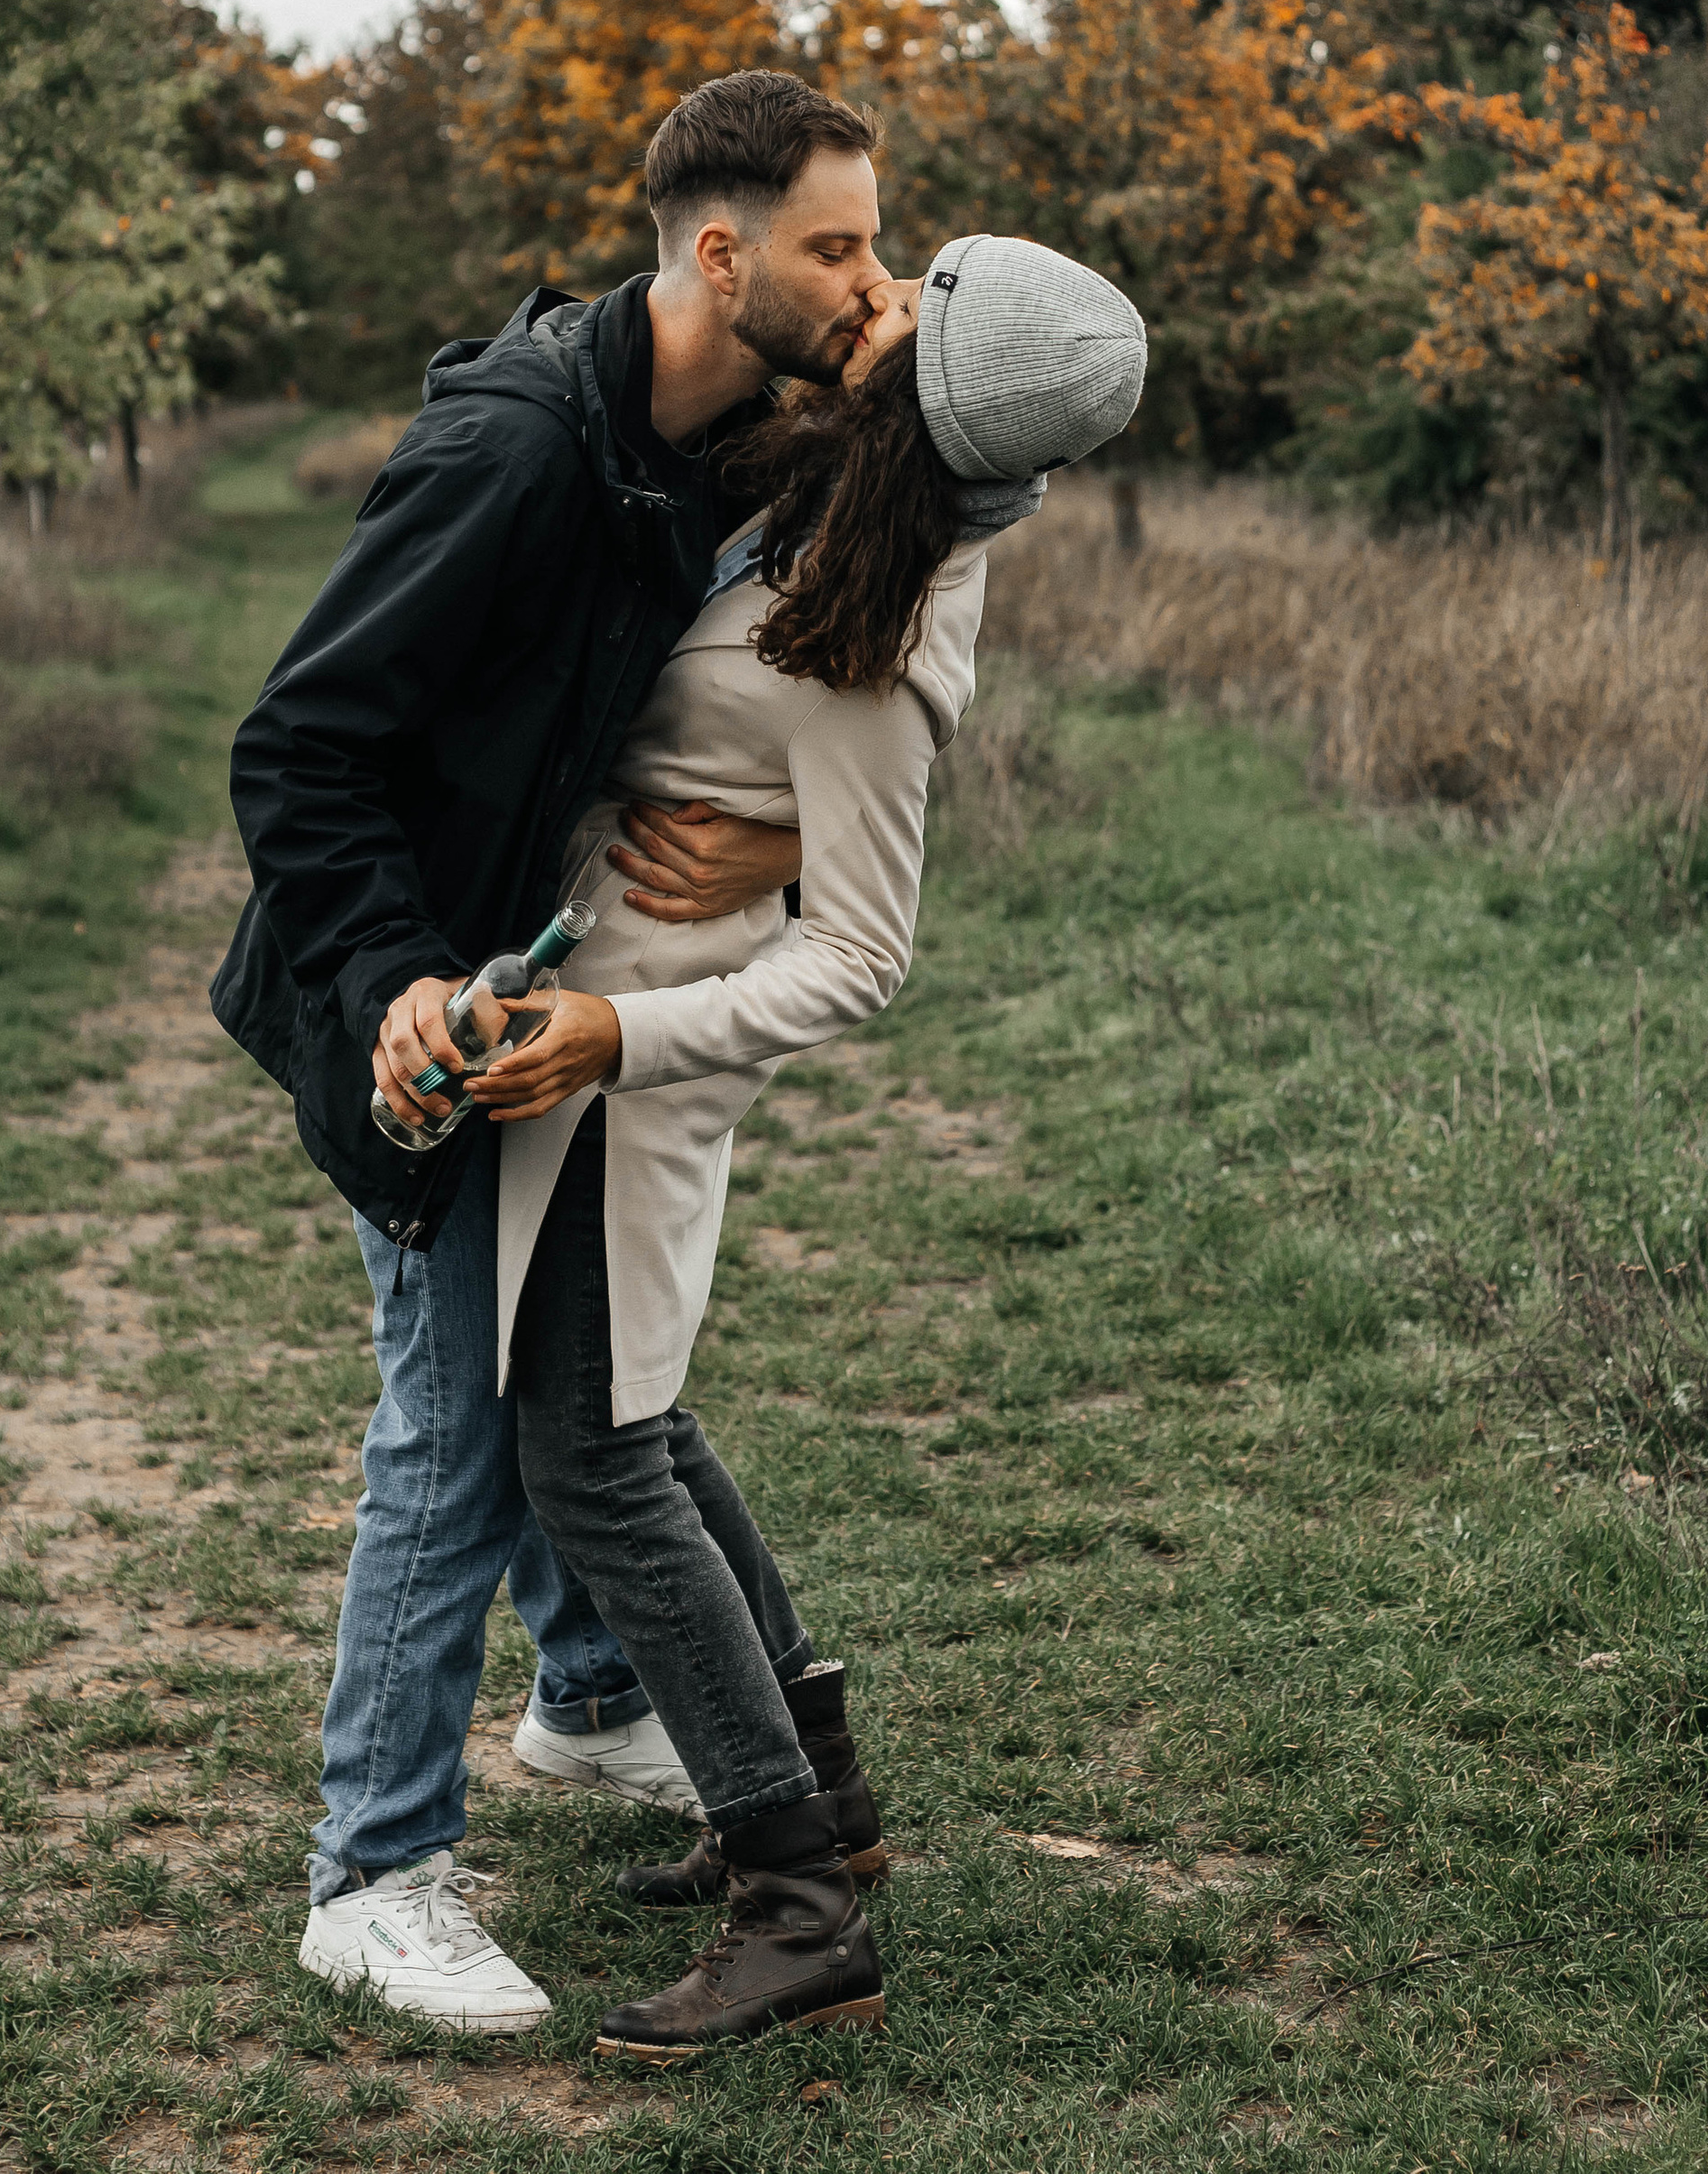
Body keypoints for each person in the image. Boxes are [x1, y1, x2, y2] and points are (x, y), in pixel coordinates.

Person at [387, 236, 1147, 2058]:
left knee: (589, 1458)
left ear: (924, 404)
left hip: (630, 1049)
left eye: (891, 312)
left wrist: (615, 1027)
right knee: (631, 1420)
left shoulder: (877, 634)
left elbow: (867, 956)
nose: (856, 303)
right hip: (603, 1013)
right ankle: (821, 1787)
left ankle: (791, 1901)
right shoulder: (824, 510)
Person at [209, 71, 894, 2032]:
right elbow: (296, 750)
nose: (865, 287)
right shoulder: (518, 451)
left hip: (526, 966)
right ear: (715, 251)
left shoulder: (712, 439)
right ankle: (370, 1867)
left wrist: (760, 832)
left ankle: (592, 1702)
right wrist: (405, 988)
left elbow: (949, 478)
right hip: (404, 998)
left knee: (539, 1382)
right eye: (835, 248)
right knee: (452, 1421)